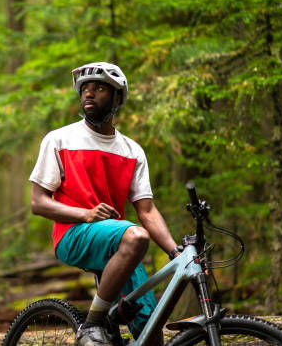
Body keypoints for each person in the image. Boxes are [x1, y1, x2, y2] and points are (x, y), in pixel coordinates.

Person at [29, 62, 181, 346]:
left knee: (150, 331)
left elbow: (146, 210)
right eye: (84, 88)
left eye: (98, 88)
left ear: (117, 98)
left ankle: (109, 327)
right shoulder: (60, 139)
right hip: (73, 235)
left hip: (120, 242)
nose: (89, 93)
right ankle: (92, 324)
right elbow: (38, 203)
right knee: (135, 236)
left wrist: (175, 251)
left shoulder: (132, 150)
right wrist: (85, 214)